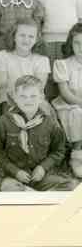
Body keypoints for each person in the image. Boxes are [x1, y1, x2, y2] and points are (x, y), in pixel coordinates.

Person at [0, 75, 77, 192]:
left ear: (41, 97)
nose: (28, 100)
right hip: (14, 176)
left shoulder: (50, 123)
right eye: (23, 96)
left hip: (40, 177)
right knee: (9, 188)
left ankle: (30, 193)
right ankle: (32, 194)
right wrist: (15, 171)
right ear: (15, 98)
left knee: (71, 186)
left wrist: (42, 168)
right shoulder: (4, 122)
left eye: (33, 96)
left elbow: (58, 151)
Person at [35, 0, 82, 98]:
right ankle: (50, 105)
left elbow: (80, 22)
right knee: (49, 77)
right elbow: (38, 22)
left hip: (70, 43)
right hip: (48, 42)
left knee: (66, 78)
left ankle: (67, 104)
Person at [0, 19, 52, 116]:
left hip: (32, 96)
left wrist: (26, 98)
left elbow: (39, 87)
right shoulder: (2, 56)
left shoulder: (42, 59)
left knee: (42, 104)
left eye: (31, 36)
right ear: (14, 36)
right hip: (10, 96)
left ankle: (39, 124)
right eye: (22, 35)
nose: (26, 40)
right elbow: (2, 86)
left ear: (36, 39)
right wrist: (19, 97)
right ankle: (9, 123)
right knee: (3, 97)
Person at [52, 23, 82, 178]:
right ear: (71, 44)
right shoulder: (63, 64)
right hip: (69, 105)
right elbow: (65, 94)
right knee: (77, 113)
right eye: (77, 43)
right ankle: (77, 155)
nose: (81, 48)